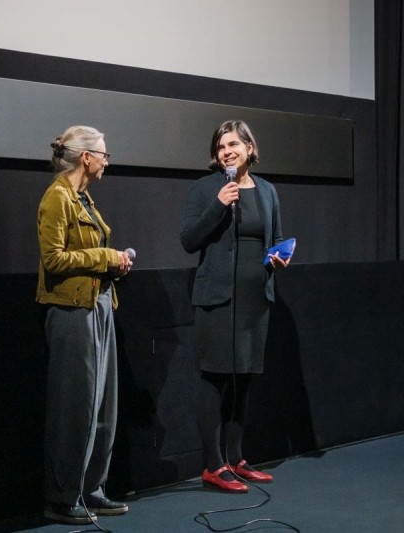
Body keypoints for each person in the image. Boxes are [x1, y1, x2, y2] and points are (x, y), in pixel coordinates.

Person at [180, 119, 289, 493]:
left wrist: (278, 256)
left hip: (256, 298)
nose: (227, 151)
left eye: (233, 144)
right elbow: (189, 240)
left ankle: (236, 459)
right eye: (221, 146)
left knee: (243, 378)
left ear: (249, 148)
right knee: (215, 378)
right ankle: (213, 465)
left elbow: (274, 237)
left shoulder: (268, 191)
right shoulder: (207, 188)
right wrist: (218, 205)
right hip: (217, 298)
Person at [36, 125, 132, 524]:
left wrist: (117, 264)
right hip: (72, 311)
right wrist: (106, 257)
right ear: (86, 157)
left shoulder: (84, 199)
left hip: (99, 305)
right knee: (74, 407)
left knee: (102, 405)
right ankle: (62, 496)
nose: (107, 160)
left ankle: (91, 489)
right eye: (104, 154)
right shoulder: (57, 198)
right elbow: (53, 259)